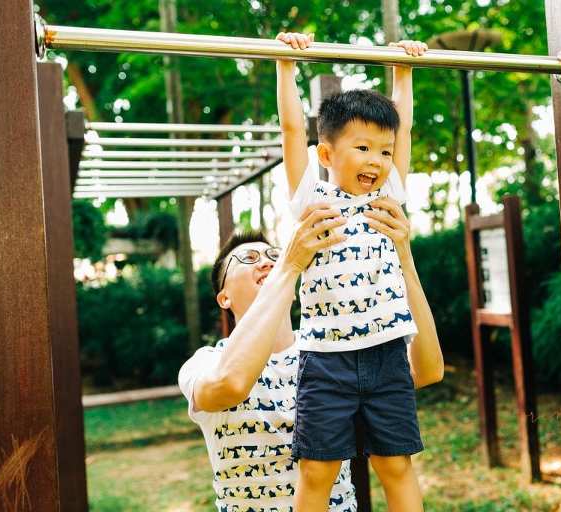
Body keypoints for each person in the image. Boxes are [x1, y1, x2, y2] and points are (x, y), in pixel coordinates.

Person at [178, 200, 443, 512]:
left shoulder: (331, 348)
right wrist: (288, 266)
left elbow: (428, 371)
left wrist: (405, 262)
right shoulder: (205, 362)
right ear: (223, 297)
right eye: (248, 259)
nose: (266, 262)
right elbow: (230, 385)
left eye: (274, 255)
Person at [275, 32, 433, 511]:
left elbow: (401, 129)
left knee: (396, 463)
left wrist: (401, 71)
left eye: (383, 153)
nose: (378, 160)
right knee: (317, 468)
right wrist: (286, 65)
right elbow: (289, 128)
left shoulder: (390, 198)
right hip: (326, 358)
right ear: (327, 155)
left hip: (386, 353)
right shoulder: (313, 198)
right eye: (363, 148)